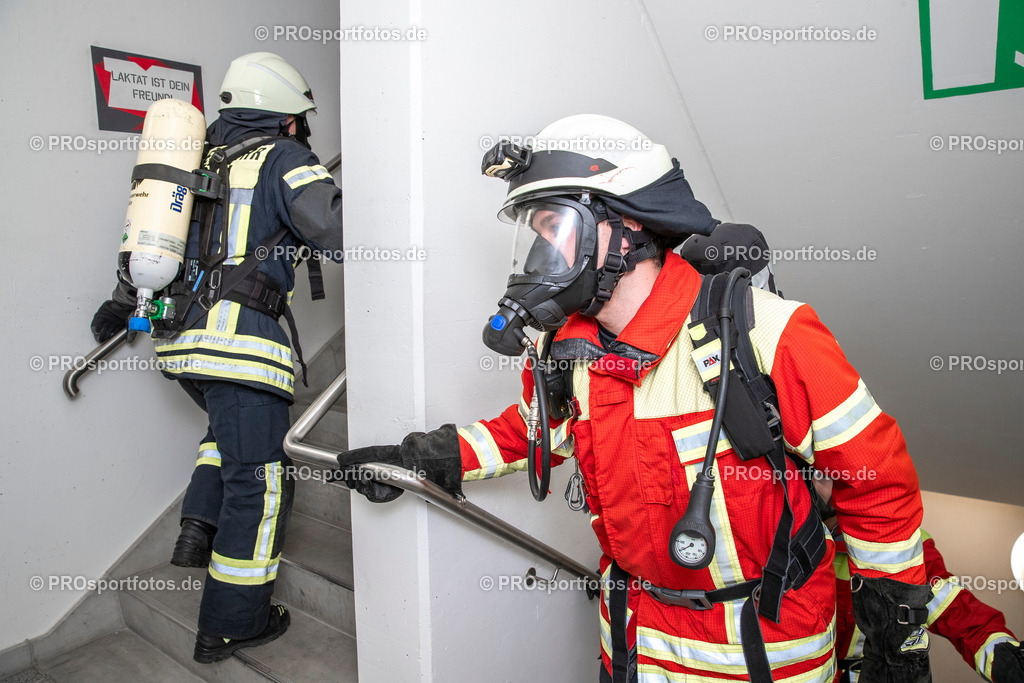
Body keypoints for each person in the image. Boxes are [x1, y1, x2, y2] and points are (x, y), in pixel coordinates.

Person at [337, 114, 932, 682]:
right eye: (535, 234)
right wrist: (425, 457)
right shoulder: (563, 352)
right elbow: (532, 433)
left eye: (556, 228)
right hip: (634, 642)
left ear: (626, 227)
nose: (543, 256)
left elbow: (878, 487)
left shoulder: (769, 334)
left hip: (766, 651)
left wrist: (894, 647)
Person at [90, 52, 343, 663]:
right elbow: (336, 229)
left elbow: (152, 246)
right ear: (286, 116)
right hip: (243, 346)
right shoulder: (285, 158)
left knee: (223, 436)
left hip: (180, 344)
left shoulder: (194, 162)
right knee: (260, 483)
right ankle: (231, 623)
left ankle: (196, 526)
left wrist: (118, 307)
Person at [810, 478, 1024, 683]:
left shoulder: (904, 545)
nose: (813, 483)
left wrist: (1006, 657)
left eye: (823, 475)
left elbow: (956, 612)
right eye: (807, 473)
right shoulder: (785, 542)